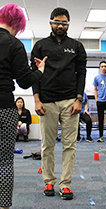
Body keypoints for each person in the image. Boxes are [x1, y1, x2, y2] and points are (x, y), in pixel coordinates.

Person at [31, 7, 86, 200]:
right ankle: (49, 181)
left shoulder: (76, 46)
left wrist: (79, 99)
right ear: (50, 23)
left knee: (69, 146)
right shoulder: (40, 46)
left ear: (68, 24)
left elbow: (81, 74)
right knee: (47, 145)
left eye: (64, 23)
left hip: (70, 101)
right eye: (57, 22)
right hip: (47, 101)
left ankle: (66, 184)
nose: (60, 25)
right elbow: (34, 76)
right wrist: (36, 99)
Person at [0, 4, 46, 209]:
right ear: (17, 25)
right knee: (4, 162)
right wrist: (39, 70)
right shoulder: (14, 44)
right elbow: (25, 81)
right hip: (4, 108)